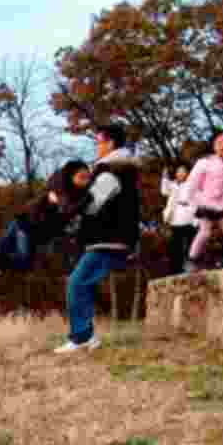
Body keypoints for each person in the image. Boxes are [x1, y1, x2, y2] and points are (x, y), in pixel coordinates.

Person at [54, 123, 140, 354]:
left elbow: (92, 206)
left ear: (111, 143)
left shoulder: (111, 171)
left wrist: (68, 205)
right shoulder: (115, 169)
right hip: (110, 239)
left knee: (76, 283)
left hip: (110, 240)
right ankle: (87, 336)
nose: (97, 146)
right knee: (80, 283)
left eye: (99, 141)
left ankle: (82, 337)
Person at [0, 169, 86, 275]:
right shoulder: (60, 196)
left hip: (21, 221)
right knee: (23, 263)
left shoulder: (64, 202)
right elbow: (55, 199)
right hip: (27, 227)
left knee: (0, 252)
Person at [181, 130, 223, 272]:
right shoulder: (204, 163)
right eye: (219, 143)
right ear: (213, 145)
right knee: (204, 233)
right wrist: (187, 199)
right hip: (206, 204)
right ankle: (192, 259)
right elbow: (192, 182)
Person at [160, 162, 198, 275]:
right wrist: (164, 177)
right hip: (175, 219)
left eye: (183, 171)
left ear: (188, 173)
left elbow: (197, 200)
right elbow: (164, 191)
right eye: (179, 171)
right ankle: (175, 269)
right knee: (175, 245)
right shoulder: (173, 185)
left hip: (189, 217)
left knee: (190, 244)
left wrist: (197, 218)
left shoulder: (192, 184)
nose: (181, 173)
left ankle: (191, 266)